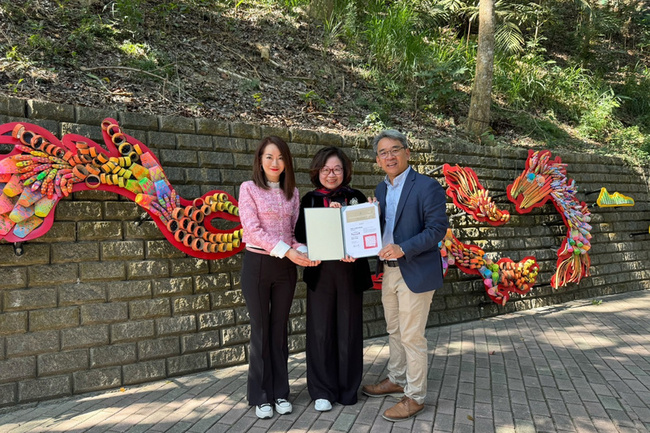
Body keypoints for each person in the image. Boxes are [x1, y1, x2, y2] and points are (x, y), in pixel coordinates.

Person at [361, 130, 449, 422]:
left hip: (415, 270)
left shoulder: (427, 186)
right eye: (383, 152)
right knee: (394, 330)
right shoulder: (382, 188)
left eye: (395, 149)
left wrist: (403, 248)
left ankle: (415, 396)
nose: (390, 156)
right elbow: (383, 228)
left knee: (412, 336)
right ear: (377, 159)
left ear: (407, 152)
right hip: (388, 271)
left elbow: (436, 230)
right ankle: (396, 378)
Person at [238, 136, 318, 419]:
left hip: (285, 269)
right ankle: (260, 395)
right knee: (261, 330)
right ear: (260, 160)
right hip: (258, 264)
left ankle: (280, 392)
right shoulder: (248, 189)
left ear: (287, 163)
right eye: (270, 157)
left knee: (279, 330)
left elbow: (294, 235)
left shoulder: (292, 192)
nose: (275, 163)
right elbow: (252, 230)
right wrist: (288, 251)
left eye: (281, 158)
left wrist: (306, 251)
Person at [295, 146, 373, 412]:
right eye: (326, 169)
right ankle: (322, 391)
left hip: (351, 273)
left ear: (345, 171)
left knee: (349, 331)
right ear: (317, 171)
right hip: (321, 274)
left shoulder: (357, 197)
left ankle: (348, 389)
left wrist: (372, 213)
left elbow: (368, 233)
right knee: (320, 332)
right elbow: (300, 235)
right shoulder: (309, 199)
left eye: (337, 169)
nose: (331, 174)